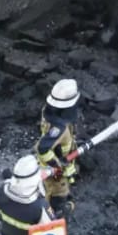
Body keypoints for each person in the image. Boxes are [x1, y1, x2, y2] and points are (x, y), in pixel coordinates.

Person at [36, 78, 80, 217]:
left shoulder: (48, 111)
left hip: (52, 163)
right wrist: (59, 165)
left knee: (49, 189)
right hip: (55, 173)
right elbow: (42, 149)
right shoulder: (60, 128)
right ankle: (54, 218)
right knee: (58, 197)